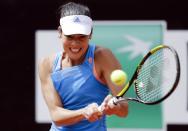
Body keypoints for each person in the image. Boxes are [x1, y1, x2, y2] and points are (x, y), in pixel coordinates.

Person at [38, 2, 128, 131]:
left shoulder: (103, 57)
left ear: (90, 33)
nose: (75, 43)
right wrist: (83, 112)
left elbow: (124, 110)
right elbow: (56, 115)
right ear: (60, 32)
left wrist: (114, 108)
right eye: (69, 37)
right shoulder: (46, 64)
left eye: (82, 36)